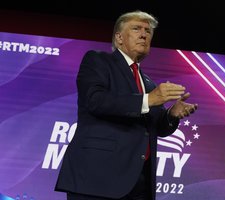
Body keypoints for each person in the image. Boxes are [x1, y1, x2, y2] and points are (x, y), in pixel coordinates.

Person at [55, 10, 198, 200]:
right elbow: (95, 100)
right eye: (136, 28)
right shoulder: (98, 60)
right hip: (97, 179)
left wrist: (172, 115)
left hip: (138, 183)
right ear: (119, 38)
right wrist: (148, 100)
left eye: (148, 31)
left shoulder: (147, 82)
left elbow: (156, 128)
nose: (144, 34)